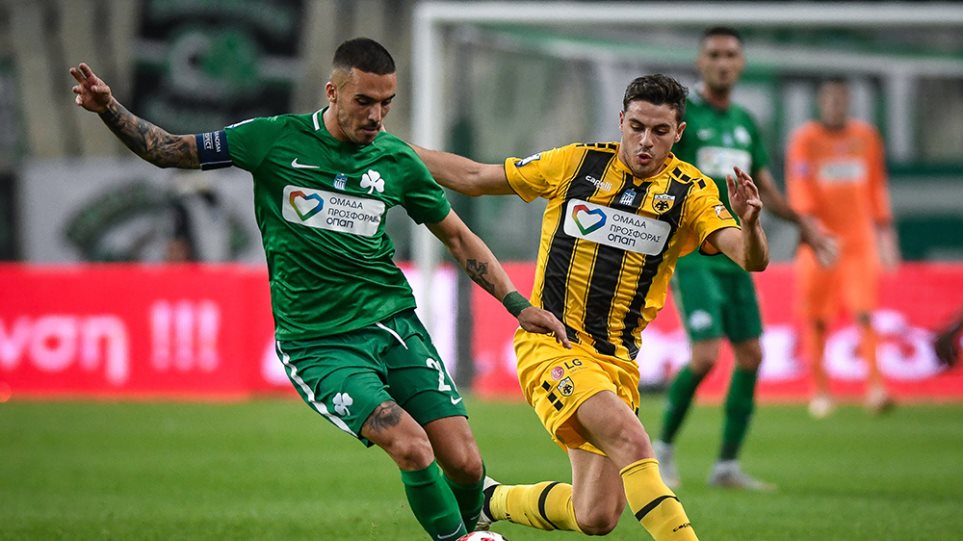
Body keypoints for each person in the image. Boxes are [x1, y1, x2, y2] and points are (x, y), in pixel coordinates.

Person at [70, 37, 570, 541]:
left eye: (386, 103)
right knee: (411, 446)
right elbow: (168, 150)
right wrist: (108, 108)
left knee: (465, 463)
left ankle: (471, 523)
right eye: (364, 101)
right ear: (332, 92)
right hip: (319, 342)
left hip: (394, 326)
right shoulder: (271, 139)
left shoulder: (396, 159)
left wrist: (517, 305)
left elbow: (458, 237)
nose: (376, 116)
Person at [415, 73, 769, 540]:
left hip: (617, 363)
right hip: (553, 347)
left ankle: (488, 500)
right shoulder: (576, 164)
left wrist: (750, 223)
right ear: (621, 120)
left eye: (660, 131)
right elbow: (474, 177)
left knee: (595, 515)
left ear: (678, 133)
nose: (645, 141)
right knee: (632, 440)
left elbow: (750, 258)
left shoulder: (691, 192)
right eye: (636, 127)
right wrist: (389, 148)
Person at [653, 26, 837, 491]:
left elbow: (765, 189)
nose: (722, 62)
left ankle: (726, 466)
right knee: (705, 355)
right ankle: (662, 449)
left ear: (741, 64)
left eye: (730, 55)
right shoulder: (683, 117)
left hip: (736, 253)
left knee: (752, 355)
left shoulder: (745, 122)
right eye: (714, 54)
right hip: (694, 253)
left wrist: (805, 224)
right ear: (701, 62)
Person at [786, 77, 900, 418]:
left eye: (840, 99)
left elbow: (876, 186)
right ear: (821, 103)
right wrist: (813, 229)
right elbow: (799, 185)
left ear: (847, 102)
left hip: (859, 242)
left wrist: (886, 235)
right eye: (830, 99)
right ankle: (820, 390)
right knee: (817, 318)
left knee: (865, 312)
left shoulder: (866, 138)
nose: (835, 105)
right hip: (821, 243)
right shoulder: (806, 140)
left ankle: (876, 388)